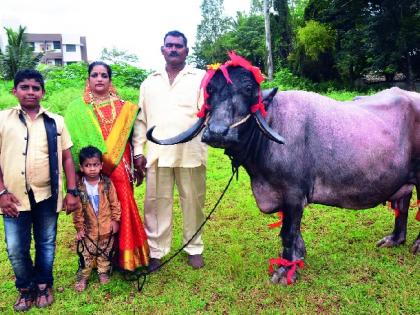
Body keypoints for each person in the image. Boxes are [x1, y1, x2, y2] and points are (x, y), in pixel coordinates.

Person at [0, 69, 79, 311]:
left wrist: (72, 191)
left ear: (43, 92)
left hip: (46, 195)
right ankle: (25, 289)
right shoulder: (3, 119)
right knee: (15, 248)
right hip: (13, 198)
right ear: (15, 91)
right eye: (25, 87)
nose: (31, 92)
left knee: (46, 243)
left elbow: (67, 158)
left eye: (36, 88)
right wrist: (1, 193)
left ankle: (44, 285)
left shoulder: (56, 121)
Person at [132, 30, 207, 271]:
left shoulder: (200, 78)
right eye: (169, 45)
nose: (173, 49)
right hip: (156, 154)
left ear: (187, 51)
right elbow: (141, 120)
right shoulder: (149, 82)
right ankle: (156, 251)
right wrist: (138, 151)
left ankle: (194, 247)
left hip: (191, 153)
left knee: (193, 203)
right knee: (155, 204)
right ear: (162, 50)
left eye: (178, 46)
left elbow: (208, 113)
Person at [65, 61, 149, 272]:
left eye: (104, 75)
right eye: (95, 75)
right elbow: (71, 143)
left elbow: (133, 138)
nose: (99, 78)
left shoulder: (124, 106)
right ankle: (97, 257)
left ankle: (126, 258)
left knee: (124, 206)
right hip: (90, 167)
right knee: (94, 209)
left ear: (110, 80)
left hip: (120, 166)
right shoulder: (77, 109)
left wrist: (137, 160)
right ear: (88, 79)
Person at [73, 146, 121, 292]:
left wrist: (115, 220)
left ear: (101, 165)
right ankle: (83, 277)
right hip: (88, 230)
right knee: (85, 254)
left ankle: (103, 272)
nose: (92, 169)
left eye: (95, 165)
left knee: (105, 252)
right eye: (88, 165)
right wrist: (79, 228)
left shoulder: (106, 184)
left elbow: (115, 203)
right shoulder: (80, 187)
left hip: (106, 227)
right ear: (81, 167)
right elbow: (77, 210)